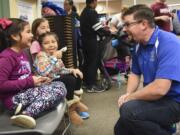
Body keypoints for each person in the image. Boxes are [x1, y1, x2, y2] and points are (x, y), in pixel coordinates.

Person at [114, 4, 180, 135]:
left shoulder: (169, 42)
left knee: (129, 111)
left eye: (127, 24)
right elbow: (134, 73)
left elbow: (160, 89)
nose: (125, 29)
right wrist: (128, 94)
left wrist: (131, 98)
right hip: (156, 99)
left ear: (143, 24)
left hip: (175, 101)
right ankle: (165, 128)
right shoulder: (139, 45)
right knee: (121, 128)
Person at [0, 18, 67, 129]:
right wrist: (30, 81)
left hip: (26, 92)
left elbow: (25, 75)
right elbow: (1, 85)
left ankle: (29, 110)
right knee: (59, 90)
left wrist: (38, 79)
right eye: (28, 32)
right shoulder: (6, 57)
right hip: (14, 100)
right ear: (15, 36)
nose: (32, 35)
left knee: (59, 85)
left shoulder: (22, 54)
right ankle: (26, 114)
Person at [34, 32, 89, 125]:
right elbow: (43, 72)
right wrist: (54, 57)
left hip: (55, 79)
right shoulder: (41, 55)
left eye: (53, 42)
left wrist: (72, 70)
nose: (51, 45)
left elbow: (61, 70)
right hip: (46, 83)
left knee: (77, 75)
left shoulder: (56, 54)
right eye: (46, 43)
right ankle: (70, 110)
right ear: (41, 46)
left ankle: (75, 103)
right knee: (69, 80)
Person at [80, 0, 114, 92]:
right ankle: (91, 86)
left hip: (85, 41)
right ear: (94, 1)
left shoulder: (84, 12)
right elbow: (97, 28)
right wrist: (110, 32)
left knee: (87, 62)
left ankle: (86, 83)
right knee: (93, 63)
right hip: (91, 41)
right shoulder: (92, 12)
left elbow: (94, 26)